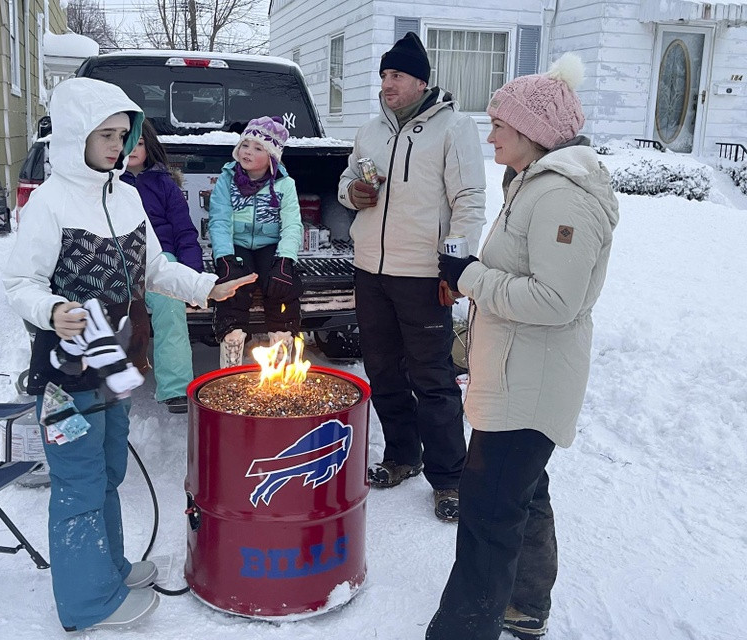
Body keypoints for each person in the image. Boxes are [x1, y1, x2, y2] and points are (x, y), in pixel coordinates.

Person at [2, 77, 255, 632]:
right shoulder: (49, 202)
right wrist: (49, 310)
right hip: (68, 370)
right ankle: (87, 601)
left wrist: (206, 287)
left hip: (117, 361)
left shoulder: (127, 195)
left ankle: (109, 567)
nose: (118, 145)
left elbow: (156, 270)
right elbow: (19, 280)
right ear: (75, 137)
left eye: (124, 133)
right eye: (106, 134)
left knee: (110, 468)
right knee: (79, 480)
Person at [425, 53, 618, 640]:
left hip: (530, 386)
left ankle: (463, 629)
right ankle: (525, 605)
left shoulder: (562, 198)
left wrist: (470, 276)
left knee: (488, 513)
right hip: (515, 374)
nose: (491, 135)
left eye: (499, 125)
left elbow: (556, 301)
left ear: (533, 132)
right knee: (524, 492)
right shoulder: (531, 185)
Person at [336, 31, 486, 521]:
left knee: (433, 377)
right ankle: (403, 455)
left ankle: (450, 478)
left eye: (396, 75)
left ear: (421, 80)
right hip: (370, 270)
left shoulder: (453, 128)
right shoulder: (370, 130)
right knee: (381, 370)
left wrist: (456, 263)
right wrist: (351, 193)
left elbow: (468, 200)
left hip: (423, 273)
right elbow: (345, 181)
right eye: (383, 75)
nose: (387, 84)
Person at [121, 118, 203, 414]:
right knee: (110, 311)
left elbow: (184, 231)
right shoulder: (106, 185)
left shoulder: (164, 185)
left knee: (170, 307)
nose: (132, 149)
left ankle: (176, 387)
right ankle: (106, 383)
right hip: (118, 258)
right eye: (126, 141)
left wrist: (191, 275)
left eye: (139, 143)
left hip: (162, 260)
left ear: (150, 147)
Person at [208, 116, 304, 368]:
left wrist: (285, 259)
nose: (248, 151)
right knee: (235, 284)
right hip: (236, 243)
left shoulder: (285, 184)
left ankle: (282, 340)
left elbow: (293, 224)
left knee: (281, 284)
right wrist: (224, 258)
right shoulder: (226, 180)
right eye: (245, 145)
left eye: (258, 148)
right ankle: (232, 338)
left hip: (270, 243)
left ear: (272, 157)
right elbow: (219, 221)